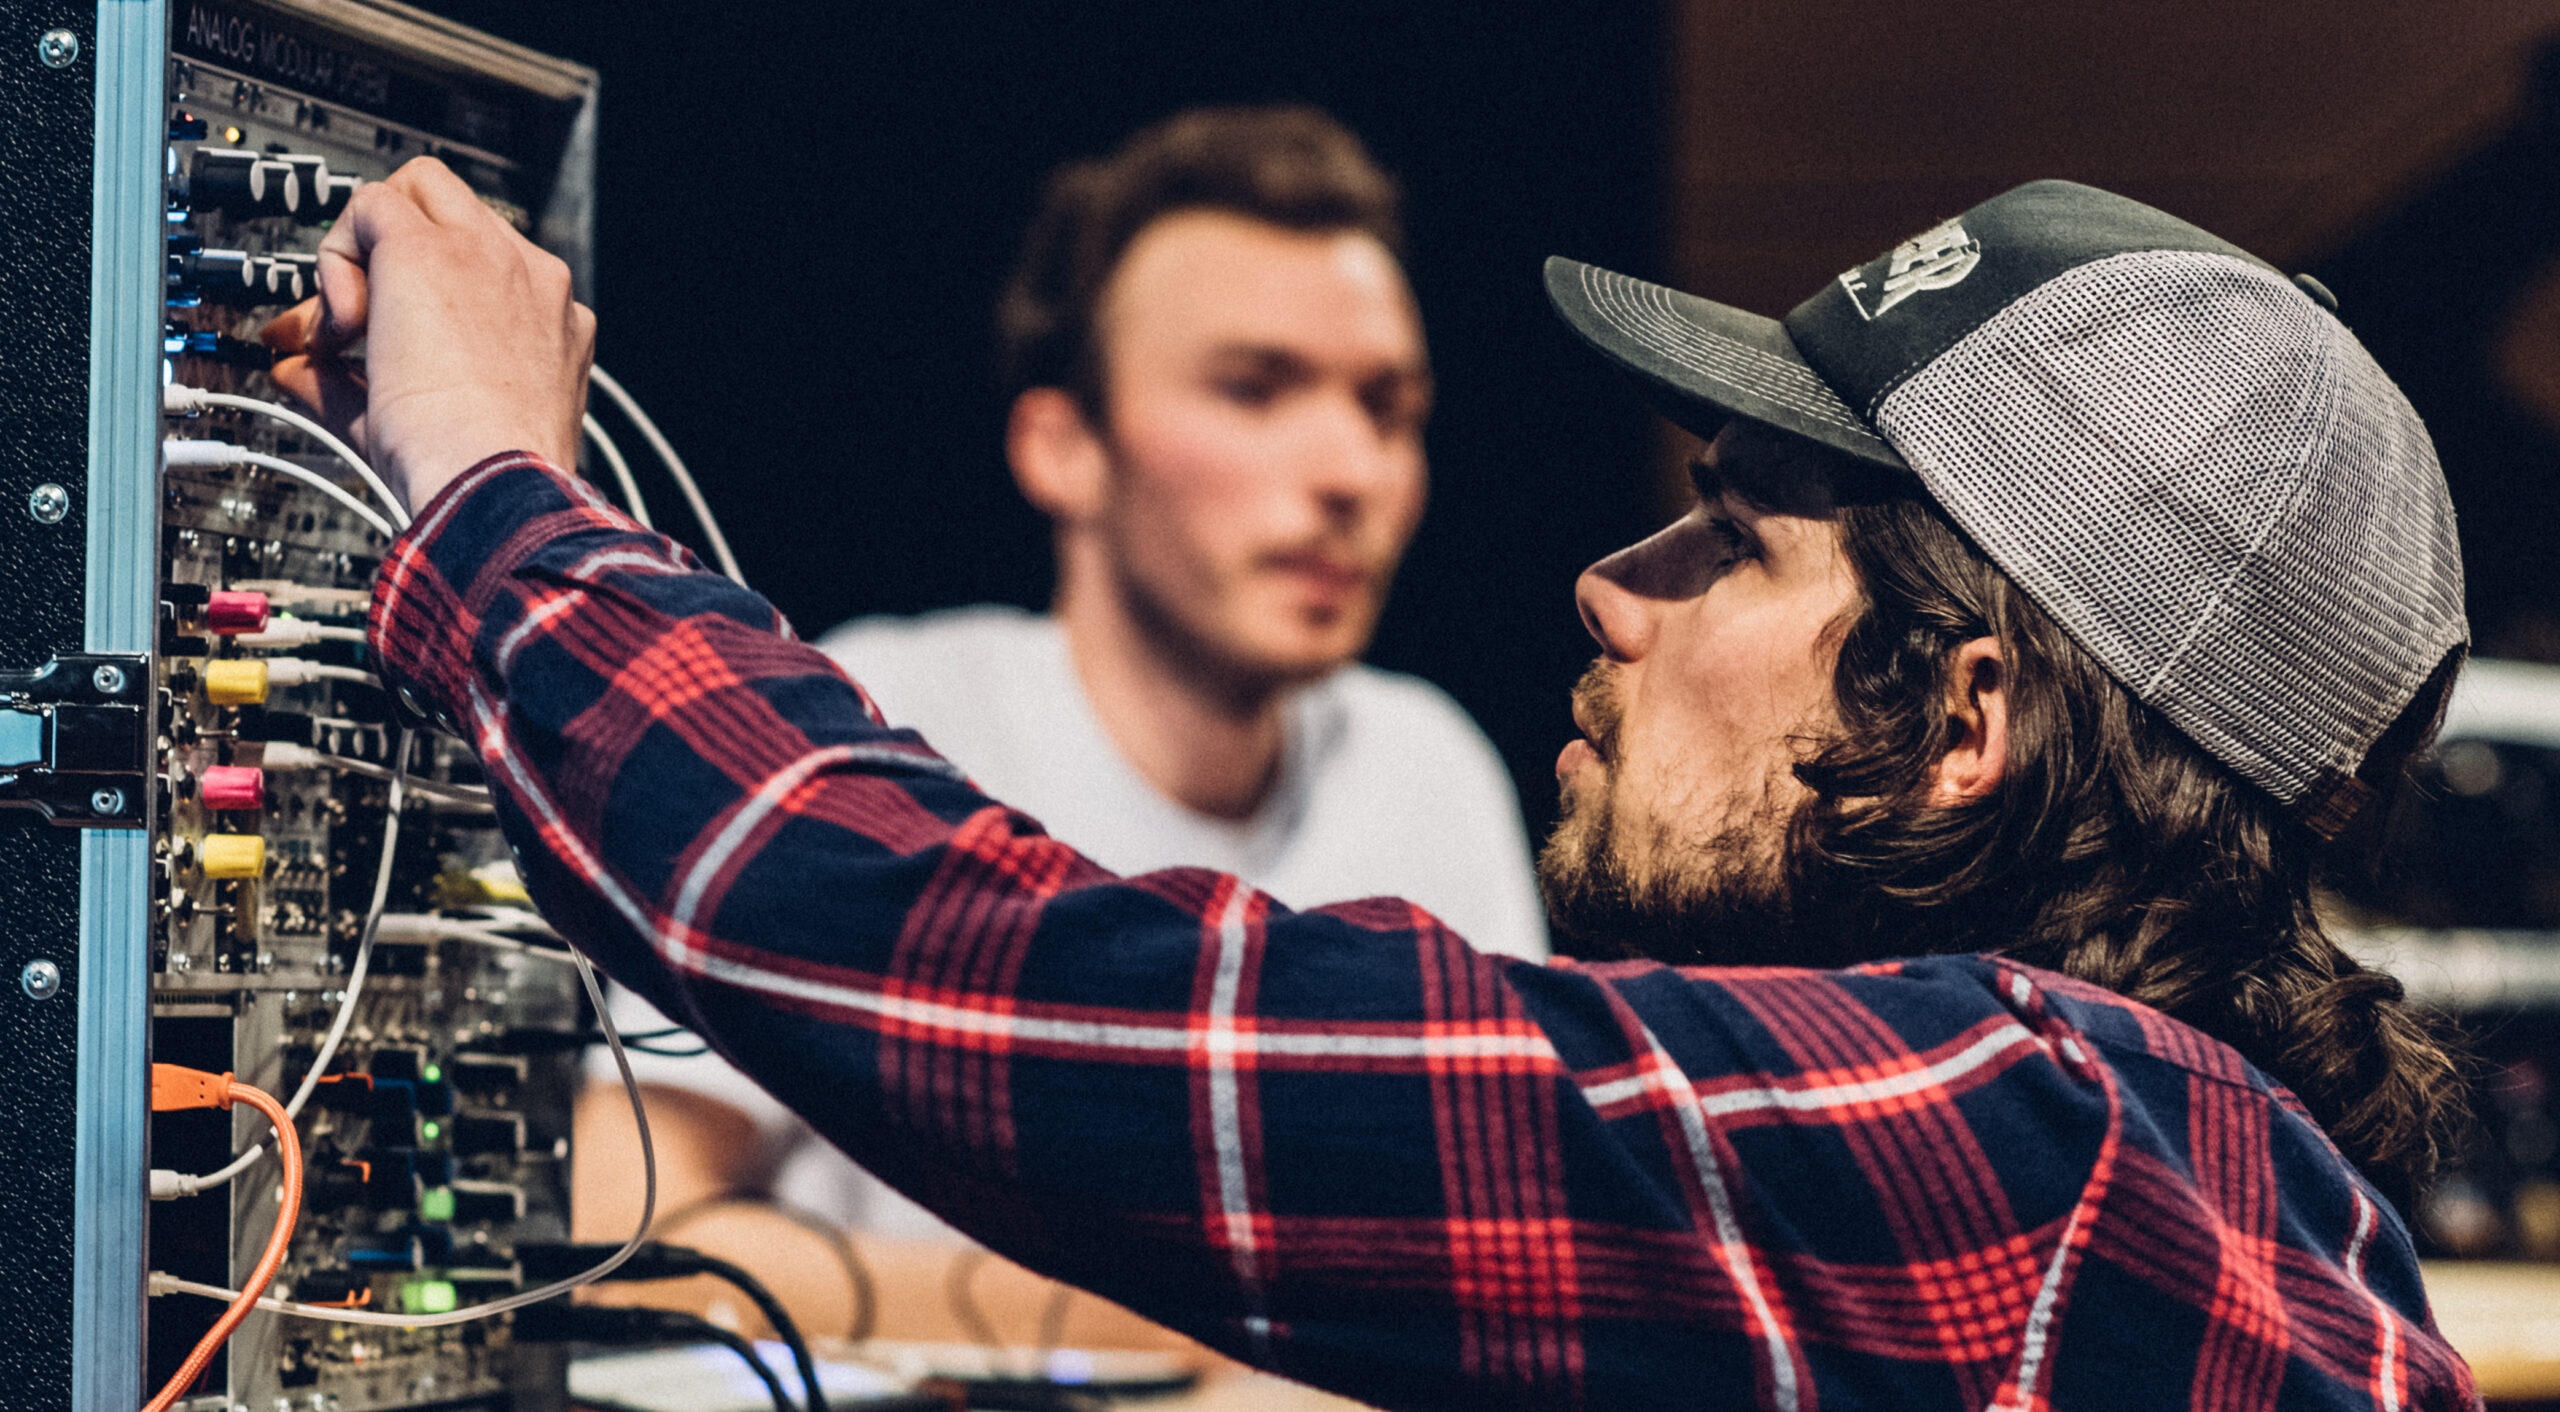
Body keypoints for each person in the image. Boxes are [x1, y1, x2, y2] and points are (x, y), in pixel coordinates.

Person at [278, 163, 2480, 1408]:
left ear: (1965, 720)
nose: (1612, 585)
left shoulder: (2021, 1136)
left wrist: (487, 489)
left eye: (1732, 537)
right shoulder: (2213, 1188)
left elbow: (1057, 1009)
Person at [579, 107, 1547, 1268]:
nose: (1350, 470)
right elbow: (623, 1212)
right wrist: (1161, 1325)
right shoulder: (888, 724)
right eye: (1253, 388)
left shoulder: (1426, 771)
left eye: (1387, 409)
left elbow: (1512, 1252)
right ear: (1063, 446)